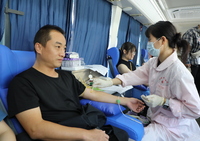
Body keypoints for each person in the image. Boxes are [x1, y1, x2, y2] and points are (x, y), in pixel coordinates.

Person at [7, 25, 145, 141]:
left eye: (64, 48)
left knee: (121, 135)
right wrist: (86, 135)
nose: (62, 53)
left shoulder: (66, 76)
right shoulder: (23, 83)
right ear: (39, 47)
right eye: (57, 47)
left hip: (80, 125)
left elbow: (92, 94)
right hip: (60, 134)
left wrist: (126, 101)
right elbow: (35, 129)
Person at [93, 21, 200, 141]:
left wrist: (164, 101)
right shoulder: (154, 62)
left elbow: (195, 109)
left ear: (162, 40)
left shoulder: (178, 72)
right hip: (157, 117)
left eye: (150, 39)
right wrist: (111, 82)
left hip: (174, 126)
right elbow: (135, 75)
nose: (148, 44)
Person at [182, 24, 200, 94]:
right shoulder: (191, 32)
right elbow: (185, 50)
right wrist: (186, 62)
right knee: (192, 87)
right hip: (193, 64)